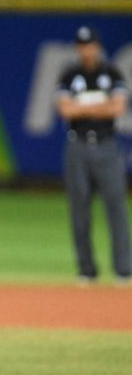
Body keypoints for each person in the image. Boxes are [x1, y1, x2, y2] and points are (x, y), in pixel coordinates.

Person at [56, 25, 131, 285]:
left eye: (90, 45)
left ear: (97, 46)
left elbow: (117, 108)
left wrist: (82, 105)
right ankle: (86, 270)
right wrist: (101, 105)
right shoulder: (70, 74)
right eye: (82, 45)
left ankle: (123, 270)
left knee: (116, 207)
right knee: (79, 209)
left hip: (106, 145)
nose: (86, 49)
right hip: (77, 145)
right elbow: (65, 111)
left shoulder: (111, 73)